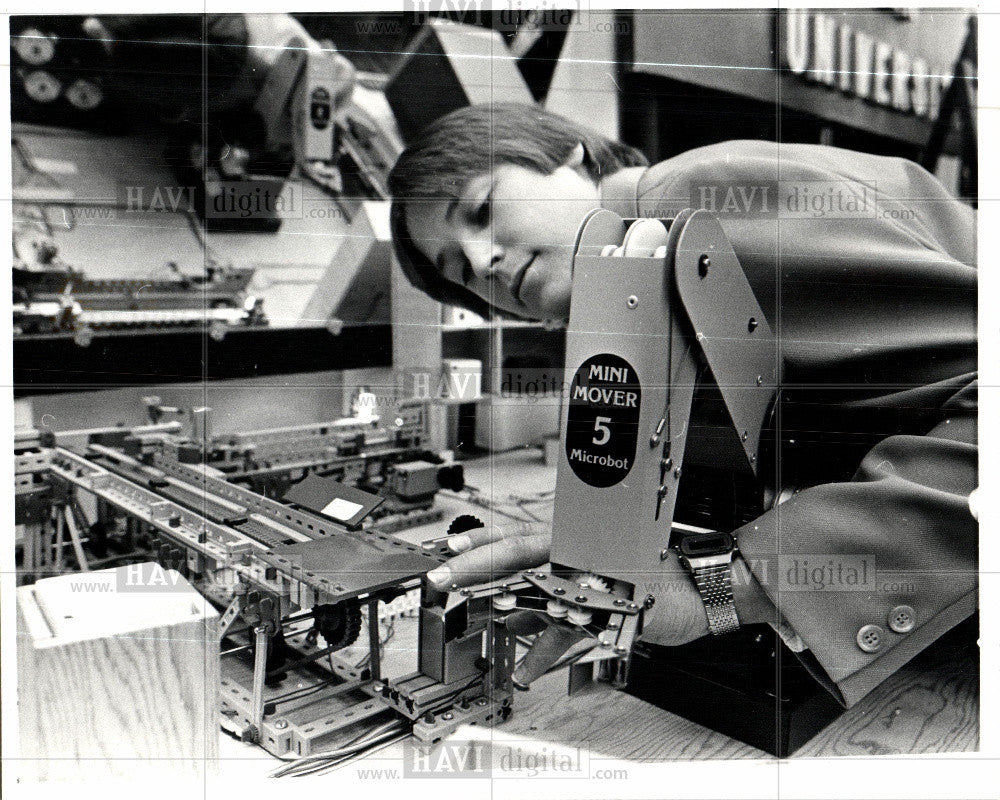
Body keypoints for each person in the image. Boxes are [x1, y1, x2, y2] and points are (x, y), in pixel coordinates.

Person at [388, 103, 978, 705]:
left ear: (571, 155)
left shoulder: (704, 205)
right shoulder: (634, 285)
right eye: (459, 270)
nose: (483, 261)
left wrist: (727, 585)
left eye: (484, 210)